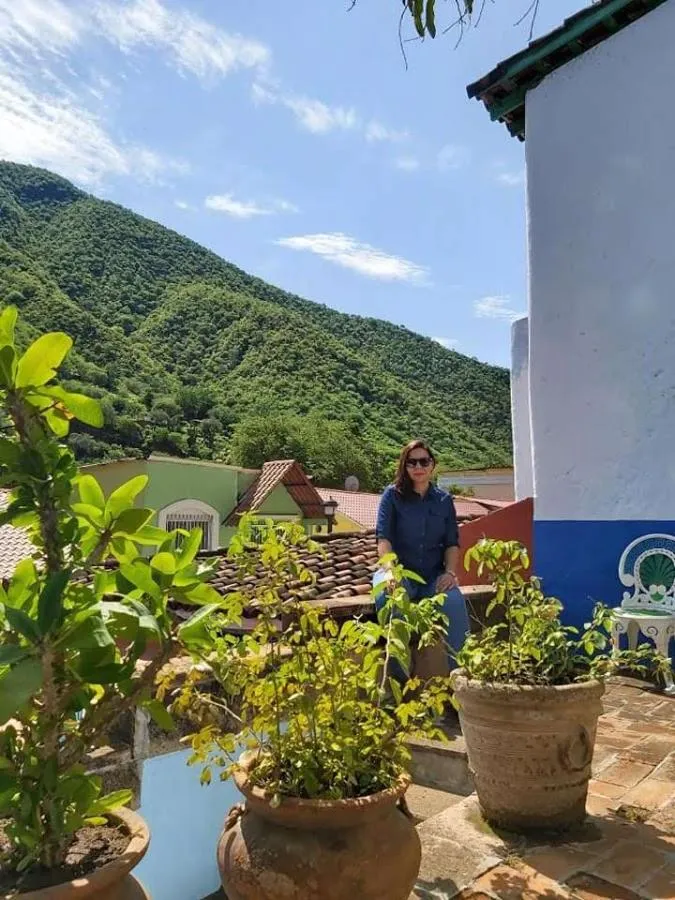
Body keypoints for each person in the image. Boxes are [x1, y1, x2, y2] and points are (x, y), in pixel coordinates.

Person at [374, 439, 470, 675]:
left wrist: (449, 572)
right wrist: (390, 572)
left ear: (432, 465)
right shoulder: (391, 496)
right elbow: (383, 538)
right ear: (404, 466)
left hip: (432, 578)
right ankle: (397, 683)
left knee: (455, 604)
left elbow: (451, 543)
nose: (418, 466)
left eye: (423, 461)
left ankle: (462, 681)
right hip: (399, 573)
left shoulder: (444, 501)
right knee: (390, 602)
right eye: (412, 462)